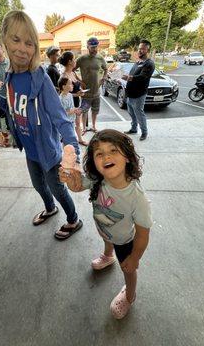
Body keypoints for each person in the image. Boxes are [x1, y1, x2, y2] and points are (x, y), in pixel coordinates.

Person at [0, 10, 83, 240]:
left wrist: (73, 150)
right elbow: (13, 106)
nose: (23, 48)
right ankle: (50, 209)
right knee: (38, 185)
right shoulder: (11, 75)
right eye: (16, 40)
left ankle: (73, 220)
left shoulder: (40, 78)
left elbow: (61, 119)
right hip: (30, 149)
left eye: (30, 43)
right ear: (4, 41)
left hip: (49, 151)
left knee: (57, 188)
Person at [59, 129, 152, 319]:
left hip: (125, 240)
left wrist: (134, 258)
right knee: (107, 238)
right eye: (99, 153)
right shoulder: (97, 180)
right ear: (94, 161)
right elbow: (78, 186)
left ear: (127, 156)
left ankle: (130, 294)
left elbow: (143, 234)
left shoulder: (136, 197)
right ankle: (108, 256)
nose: (106, 156)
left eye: (113, 150)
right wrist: (71, 179)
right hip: (105, 227)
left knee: (129, 270)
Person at [123, 40, 155, 141]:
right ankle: (133, 129)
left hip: (139, 94)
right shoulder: (137, 62)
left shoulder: (149, 64)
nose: (140, 51)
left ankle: (144, 132)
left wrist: (129, 78)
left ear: (147, 50)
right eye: (139, 48)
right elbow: (132, 74)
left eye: (143, 49)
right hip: (131, 93)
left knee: (139, 114)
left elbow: (142, 77)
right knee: (131, 113)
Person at [75, 37, 108, 134]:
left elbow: (106, 69)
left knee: (95, 110)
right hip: (86, 92)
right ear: (88, 47)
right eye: (92, 47)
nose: (95, 49)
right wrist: (79, 81)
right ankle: (84, 128)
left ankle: (93, 126)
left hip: (97, 91)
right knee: (84, 111)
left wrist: (104, 77)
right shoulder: (82, 59)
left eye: (96, 47)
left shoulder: (100, 58)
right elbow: (71, 70)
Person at [59, 51, 88, 146]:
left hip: (76, 100)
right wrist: (77, 94)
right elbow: (64, 94)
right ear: (69, 62)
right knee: (70, 123)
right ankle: (68, 141)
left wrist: (80, 90)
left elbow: (78, 84)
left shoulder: (73, 73)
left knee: (77, 122)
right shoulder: (64, 76)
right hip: (69, 103)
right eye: (74, 59)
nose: (75, 61)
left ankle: (79, 139)